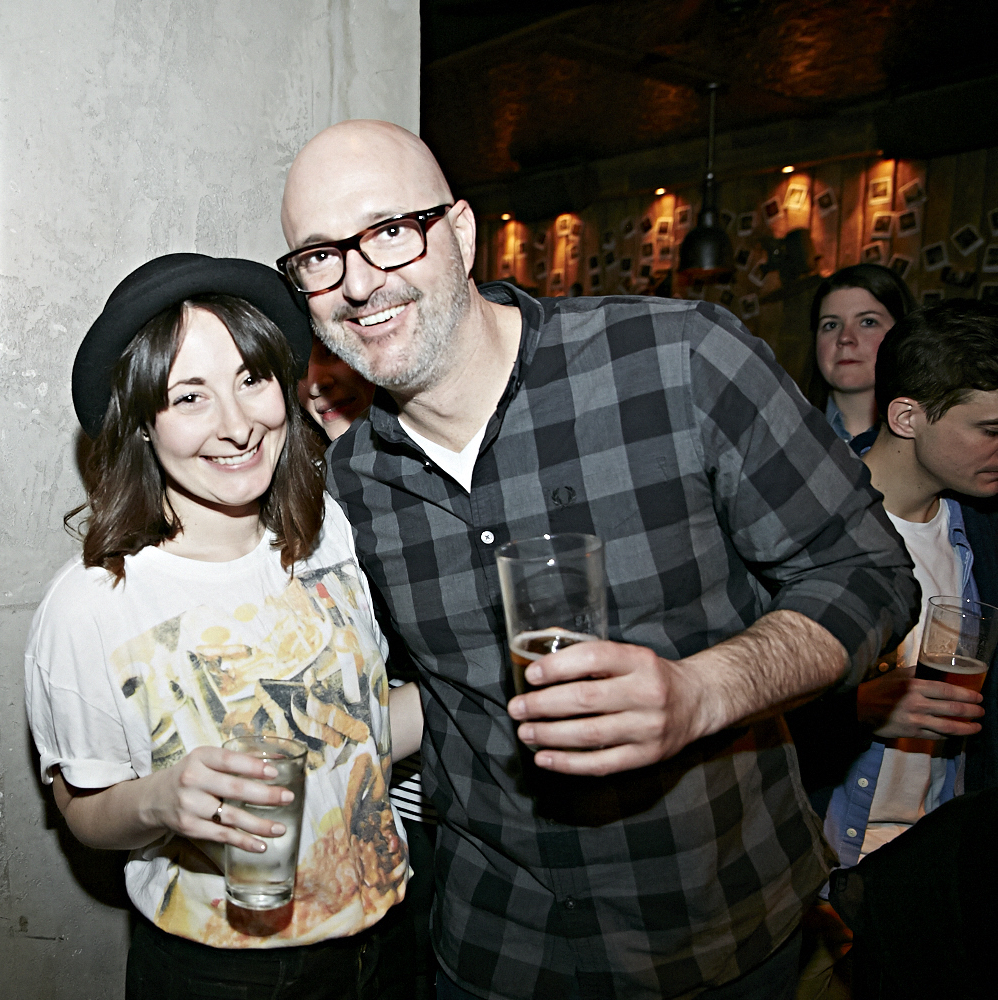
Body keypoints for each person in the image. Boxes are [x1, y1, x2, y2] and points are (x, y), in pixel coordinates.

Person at [277, 120, 919, 1000]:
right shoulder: (352, 482)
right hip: (496, 949)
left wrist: (703, 692)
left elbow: (868, 573)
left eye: (391, 232)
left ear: (461, 233)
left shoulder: (680, 360)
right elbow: (414, 692)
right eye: (319, 256)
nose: (359, 281)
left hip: (717, 933)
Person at [24, 253, 421, 1000]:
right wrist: (160, 801)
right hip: (224, 972)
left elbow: (360, 733)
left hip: (390, 938)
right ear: (142, 423)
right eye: (189, 397)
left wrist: (485, 681)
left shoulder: (327, 532)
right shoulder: (92, 605)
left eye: (250, 379)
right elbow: (81, 810)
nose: (237, 426)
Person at [822, 299, 998, 869]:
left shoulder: (984, 530)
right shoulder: (807, 524)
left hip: (932, 864)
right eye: (990, 430)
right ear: (905, 418)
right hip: (815, 865)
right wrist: (852, 711)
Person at [299, 338, 439, 1000]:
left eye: (335, 352)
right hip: (368, 819)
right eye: (303, 363)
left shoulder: (434, 482)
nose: (321, 379)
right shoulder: (301, 505)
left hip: (458, 811)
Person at [805, 263, 915, 454]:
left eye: (868, 322)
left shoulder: (934, 445)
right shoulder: (787, 436)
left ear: (903, 334)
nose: (845, 338)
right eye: (831, 325)